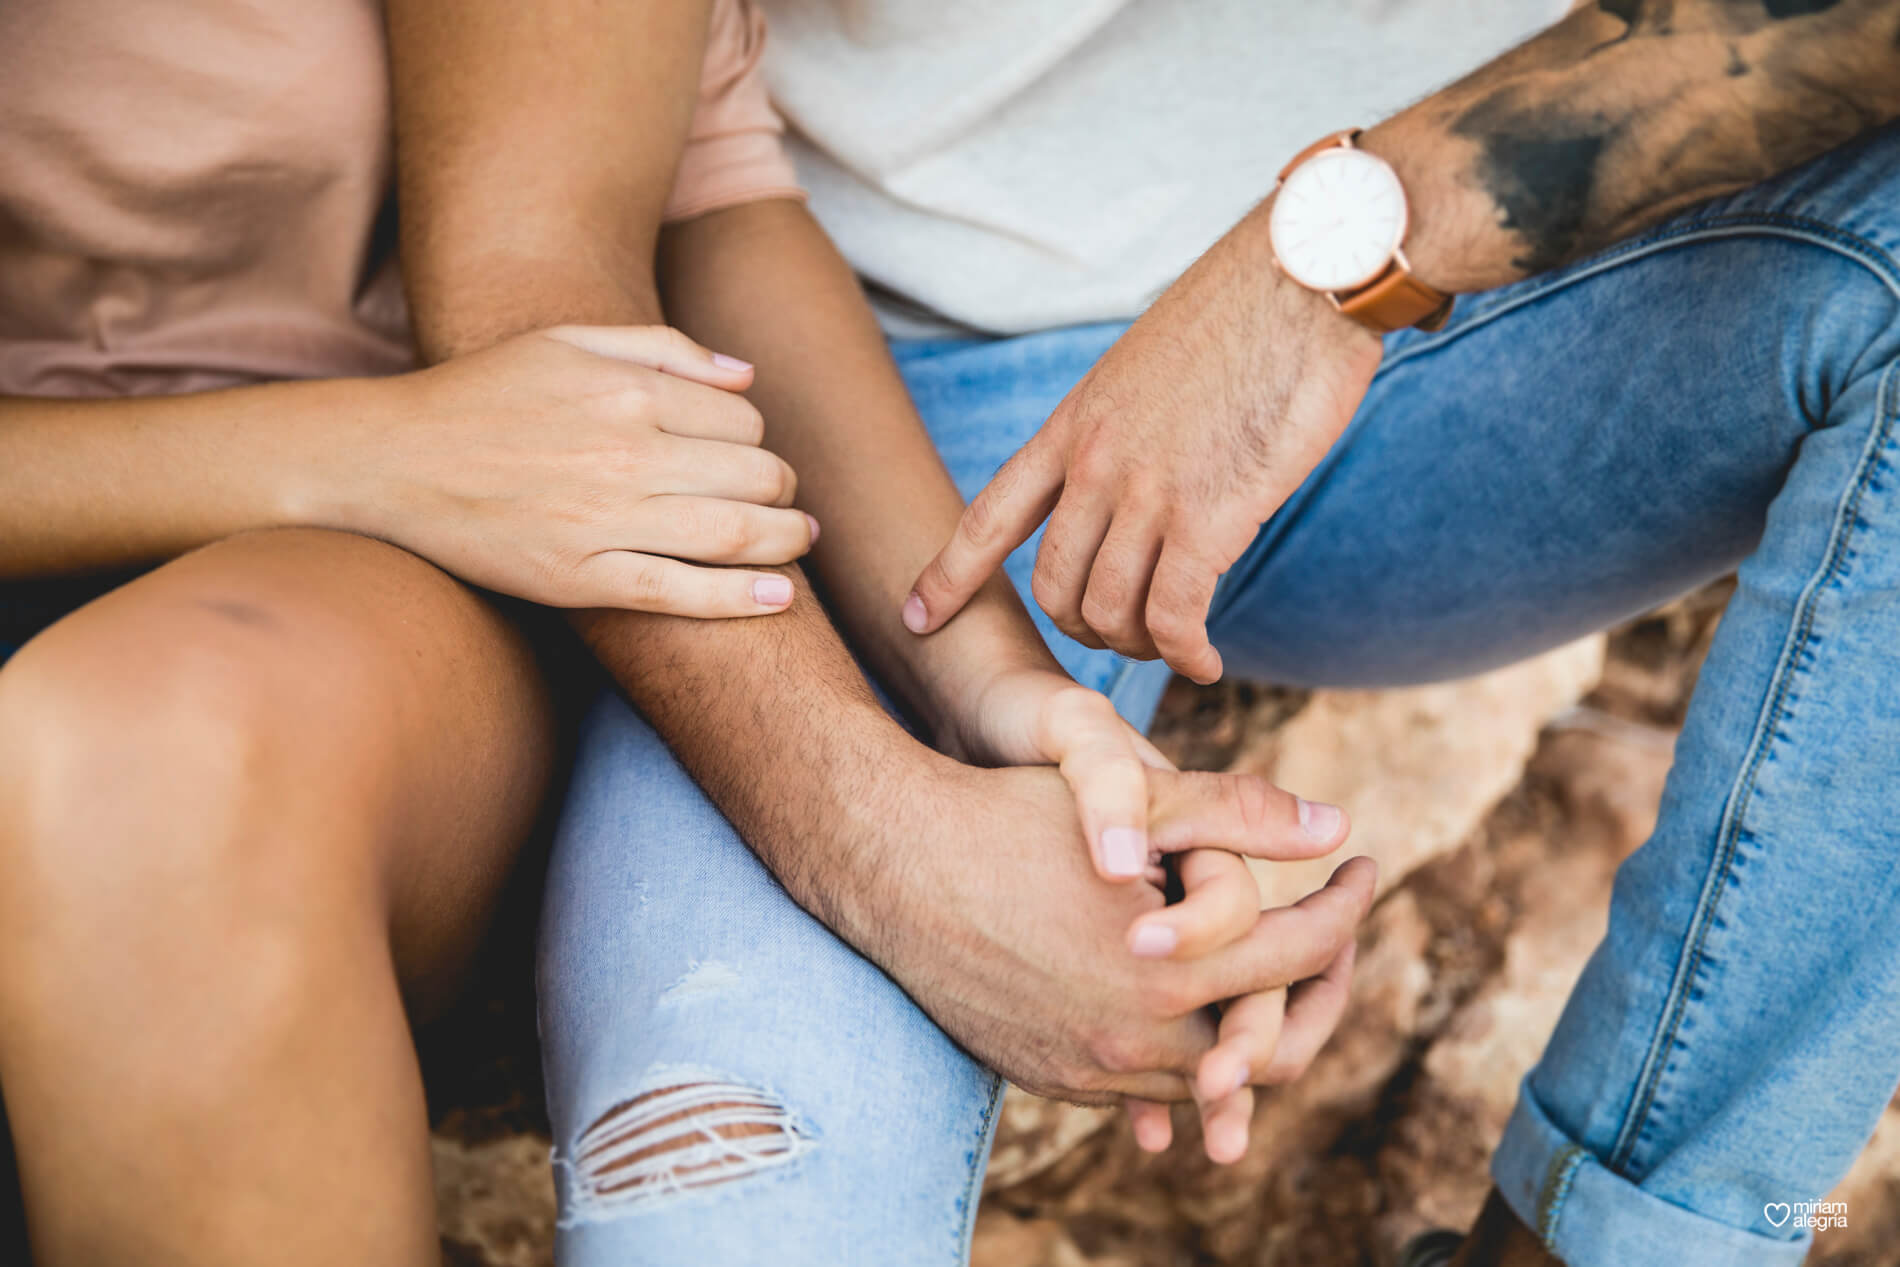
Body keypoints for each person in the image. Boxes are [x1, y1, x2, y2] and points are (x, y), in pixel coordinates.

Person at [0, 1, 1370, 1263]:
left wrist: (992, 680)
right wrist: (361, 449)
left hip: (388, 596)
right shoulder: (394, 448)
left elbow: (703, 206)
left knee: (149, 765)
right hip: (397, 464)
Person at [770, 0, 1897, 1264]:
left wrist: (1329, 261)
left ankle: (1597, 1248)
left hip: (1444, 340)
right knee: (764, 1149)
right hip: (892, 362)